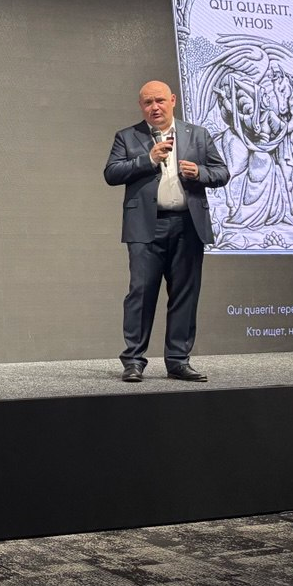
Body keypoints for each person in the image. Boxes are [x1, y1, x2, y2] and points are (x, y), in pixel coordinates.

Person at [103, 81, 229, 383]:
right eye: (147, 102)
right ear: (141, 106)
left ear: (172, 100)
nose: (154, 107)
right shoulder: (127, 136)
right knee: (141, 293)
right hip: (146, 226)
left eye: (159, 100)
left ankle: (178, 361)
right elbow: (112, 173)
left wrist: (200, 173)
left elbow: (222, 172)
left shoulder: (197, 134)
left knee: (185, 294)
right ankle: (133, 361)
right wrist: (148, 160)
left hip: (188, 225)